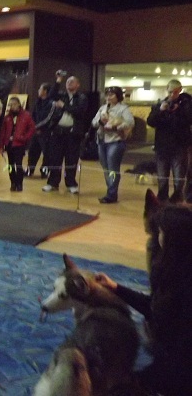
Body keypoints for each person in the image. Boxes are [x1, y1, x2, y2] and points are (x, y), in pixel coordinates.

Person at [94, 204, 192, 395]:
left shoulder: (186, 283)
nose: (158, 236)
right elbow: (154, 306)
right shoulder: (176, 268)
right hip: (170, 356)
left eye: (161, 231)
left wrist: (144, 381)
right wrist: (116, 287)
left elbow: (183, 353)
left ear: (173, 240)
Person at [146, 79, 192, 203]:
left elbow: (189, 120)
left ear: (180, 90)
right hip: (162, 147)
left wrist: (179, 110)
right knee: (162, 178)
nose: (172, 95)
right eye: (170, 92)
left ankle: (177, 201)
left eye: (175, 92)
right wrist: (161, 110)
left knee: (179, 179)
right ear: (167, 90)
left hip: (179, 146)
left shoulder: (187, 105)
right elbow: (150, 121)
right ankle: (162, 201)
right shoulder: (160, 104)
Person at [42, 71, 88, 194]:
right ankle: (52, 183)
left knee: (71, 159)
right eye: (67, 81)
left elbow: (79, 111)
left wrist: (63, 106)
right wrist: (58, 80)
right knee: (55, 158)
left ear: (78, 85)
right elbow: (51, 95)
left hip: (73, 133)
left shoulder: (82, 97)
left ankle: (71, 183)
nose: (69, 83)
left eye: (72, 81)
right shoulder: (62, 95)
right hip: (58, 132)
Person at [91, 86, 135, 204]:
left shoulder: (123, 108)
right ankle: (110, 191)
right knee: (105, 168)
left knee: (113, 168)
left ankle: (111, 194)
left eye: (111, 95)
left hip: (115, 141)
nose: (109, 97)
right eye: (107, 95)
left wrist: (115, 127)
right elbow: (94, 122)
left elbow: (130, 122)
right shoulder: (103, 108)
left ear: (118, 96)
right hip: (101, 140)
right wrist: (100, 122)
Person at [0, 97, 35, 192]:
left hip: (19, 144)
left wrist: (24, 138)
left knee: (18, 164)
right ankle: (13, 182)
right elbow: (3, 132)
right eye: (10, 105)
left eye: (14, 104)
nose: (12, 106)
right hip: (9, 144)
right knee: (10, 165)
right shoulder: (7, 117)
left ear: (19, 104)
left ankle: (19, 183)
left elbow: (32, 128)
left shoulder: (26, 115)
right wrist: (1, 145)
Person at [26, 83, 53, 178]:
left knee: (47, 153)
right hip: (35, 131)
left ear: (45, 91)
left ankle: (44, 171)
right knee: (32, 151)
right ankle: (30, 170)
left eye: (40, 89)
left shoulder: (50, 103)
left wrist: (37, 127)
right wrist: (33, 127)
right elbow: (33, 116)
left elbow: (48, 118)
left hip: (46, 132)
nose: (38, 91)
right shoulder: (37, 102)